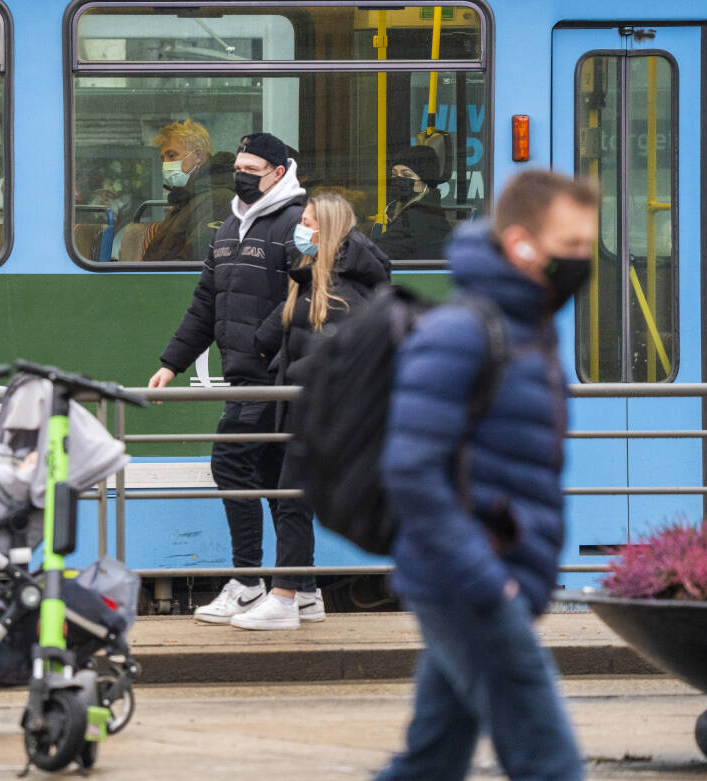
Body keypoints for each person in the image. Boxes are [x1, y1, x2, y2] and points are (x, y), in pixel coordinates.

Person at [375, 170, 598, 781]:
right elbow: (410, 470)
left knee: (432, 761)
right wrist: (485, 580)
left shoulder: (530, 328)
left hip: (487, 576)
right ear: (523, 244)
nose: (584, 262)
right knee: (549, 763)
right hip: (467, 583)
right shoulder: (463, 332)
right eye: (572, 247)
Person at [147, 132, 308, 624]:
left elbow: (304, 296)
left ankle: (247, 581)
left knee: (231, 465)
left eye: (252, 170)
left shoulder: (296, 223)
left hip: (273, 374)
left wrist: (262, 343)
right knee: (274, 478)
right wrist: (171, 363)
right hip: (247, 376)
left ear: (279, 173)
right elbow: (205, 303)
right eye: (238, 166)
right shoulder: (229, 226)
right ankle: (302, 587)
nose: (241, 175)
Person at [233, 192, 390, 630]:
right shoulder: (311, 281)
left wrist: (292, 374)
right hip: (305, 412)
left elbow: (331, 356)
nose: (300, 229)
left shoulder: (344, 291)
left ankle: (283, 597)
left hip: (320, 415)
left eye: (307, 221)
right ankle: (303, 595)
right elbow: (276, 337)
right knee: (292, 502)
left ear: (330, 230)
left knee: (292, 504)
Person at [142, 119, 235, 262]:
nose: (166, 164)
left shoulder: (220, 200)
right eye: (163, 158)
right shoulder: (185, 200)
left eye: (172, 155)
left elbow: (192, 263)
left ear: (197, 156)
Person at [374, 145, 454, 261]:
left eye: (406, 175)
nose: (398, 180)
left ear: (425, 180)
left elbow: (378, 254)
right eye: (394, 174)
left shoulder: (417, 216)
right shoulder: (419, 210)